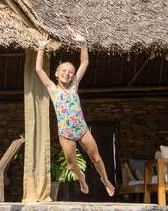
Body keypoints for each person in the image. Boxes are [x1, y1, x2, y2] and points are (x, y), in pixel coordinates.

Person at [36, 37, 115, 197]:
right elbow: (39, 70)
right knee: (72, 164)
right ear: (57, 74)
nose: (67, 73)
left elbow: (84, 62)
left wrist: (83, 43)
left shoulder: (73, 87)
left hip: (82, 129)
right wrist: (41, 49)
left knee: (97, 158)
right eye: (63, 71)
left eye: (70, 72)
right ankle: (82, 179)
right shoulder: (53, 89)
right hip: (65, 132)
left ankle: (105, 180)